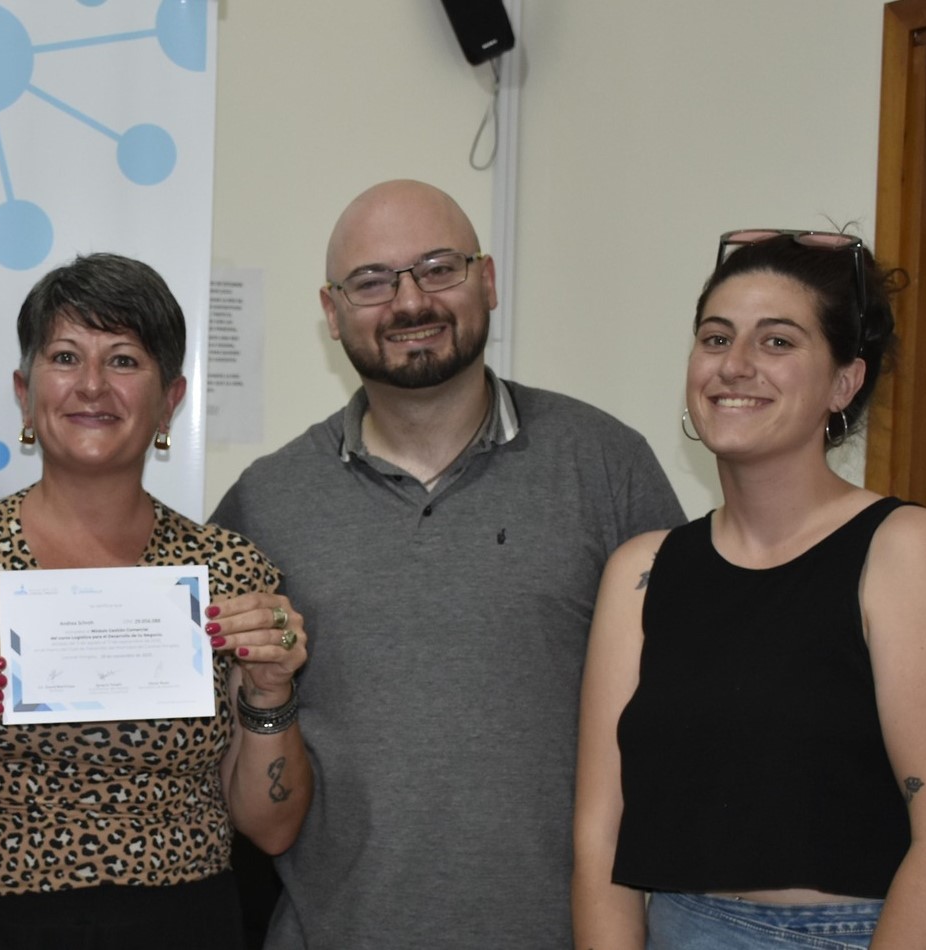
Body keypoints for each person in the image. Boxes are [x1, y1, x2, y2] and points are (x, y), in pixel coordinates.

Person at [209, 179, 685, 949]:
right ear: (331, 312)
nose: (409, 301)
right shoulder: (265, 503)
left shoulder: (605, 466)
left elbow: (685, 718)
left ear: (486, 280)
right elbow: (230, 763)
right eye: (371, 281)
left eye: (438, 268)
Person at [0, 252, 312, 949]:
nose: (92, 385)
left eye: (124, 360)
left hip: (180, 926)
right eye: (65, 357)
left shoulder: (229, 572)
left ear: (170, 399)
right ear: (24, 391)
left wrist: (271, 695)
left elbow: (271, 828)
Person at [572, 230, 926, 948]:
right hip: (683, 929)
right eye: (716, 338)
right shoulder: (640, 573)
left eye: (777, 342)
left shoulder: (905, 551)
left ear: (843, 383)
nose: (735, 364)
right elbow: (599, 840)